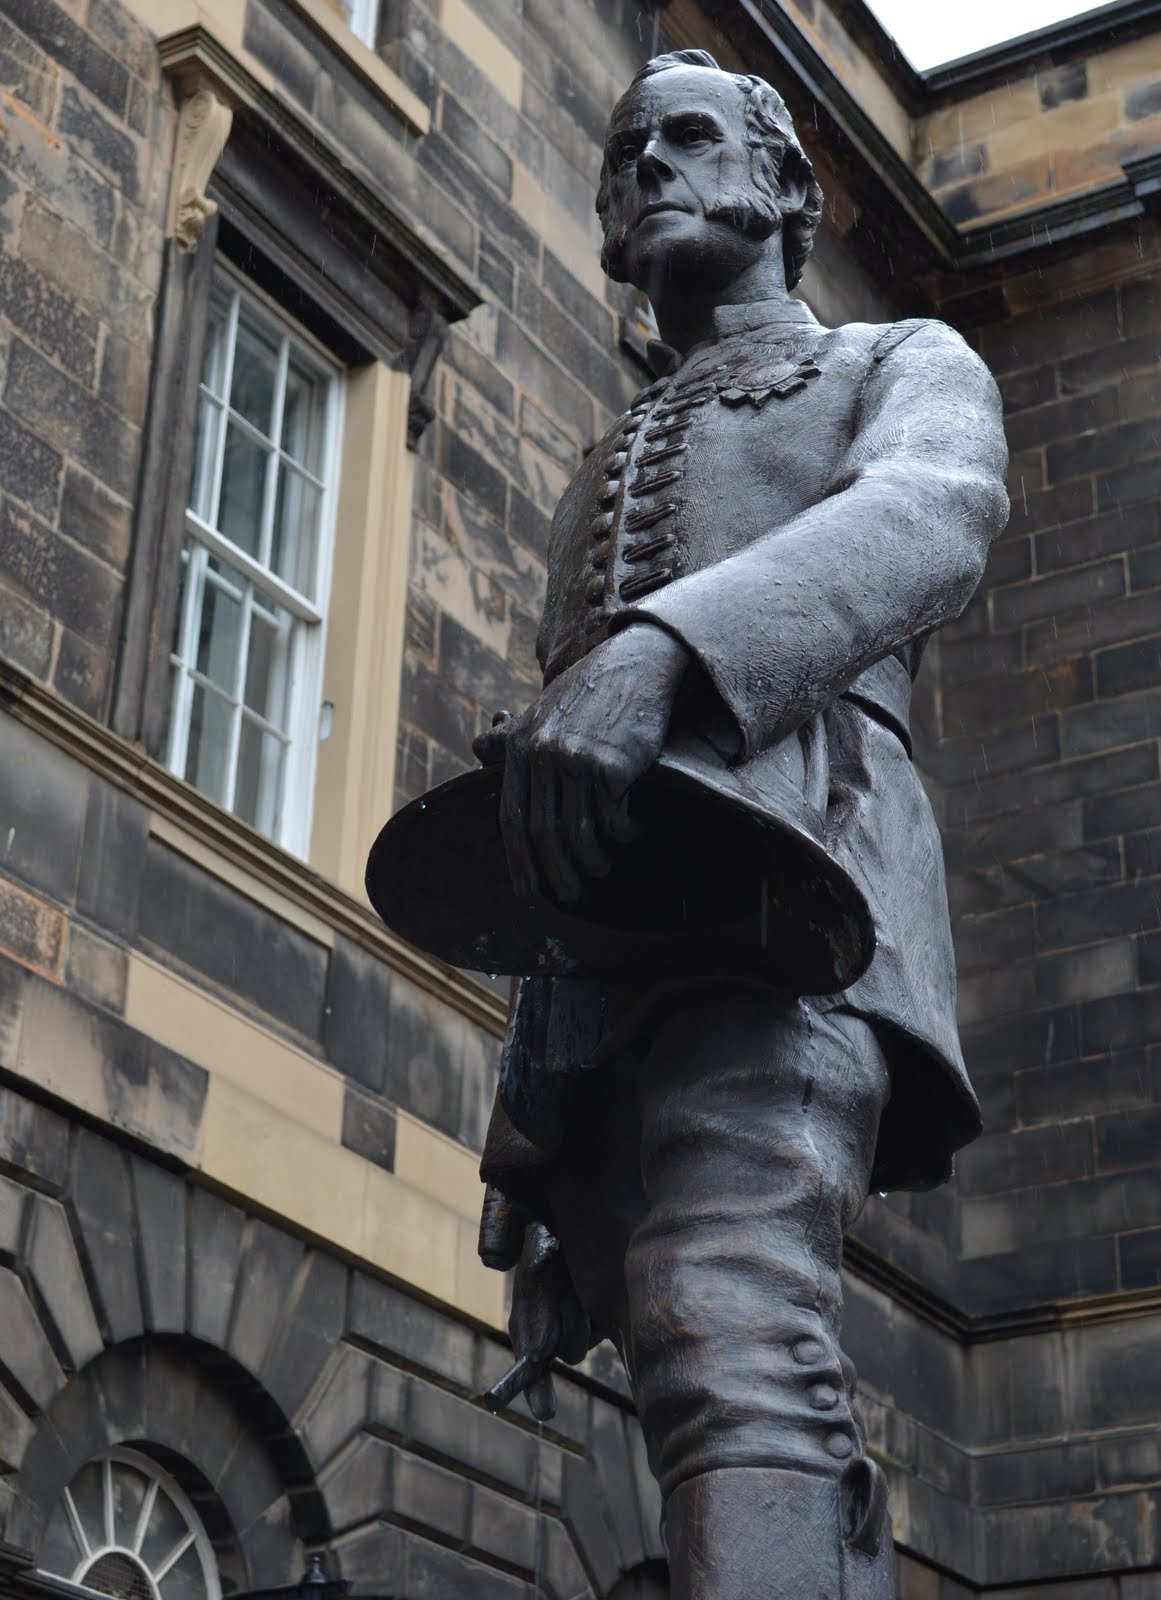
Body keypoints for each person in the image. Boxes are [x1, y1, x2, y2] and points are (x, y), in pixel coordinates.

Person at [468, 49, 1009, 1599]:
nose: (645, 165)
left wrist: (665, 651)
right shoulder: (607, 454)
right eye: (622, 153)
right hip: (610, 971)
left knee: (728, 1323)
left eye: (689, 138)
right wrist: (535, 1129)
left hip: (798, 905)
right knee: (696, 1373)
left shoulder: (894, 358)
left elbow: (931, 514)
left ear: (782, 185)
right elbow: (578, 777)